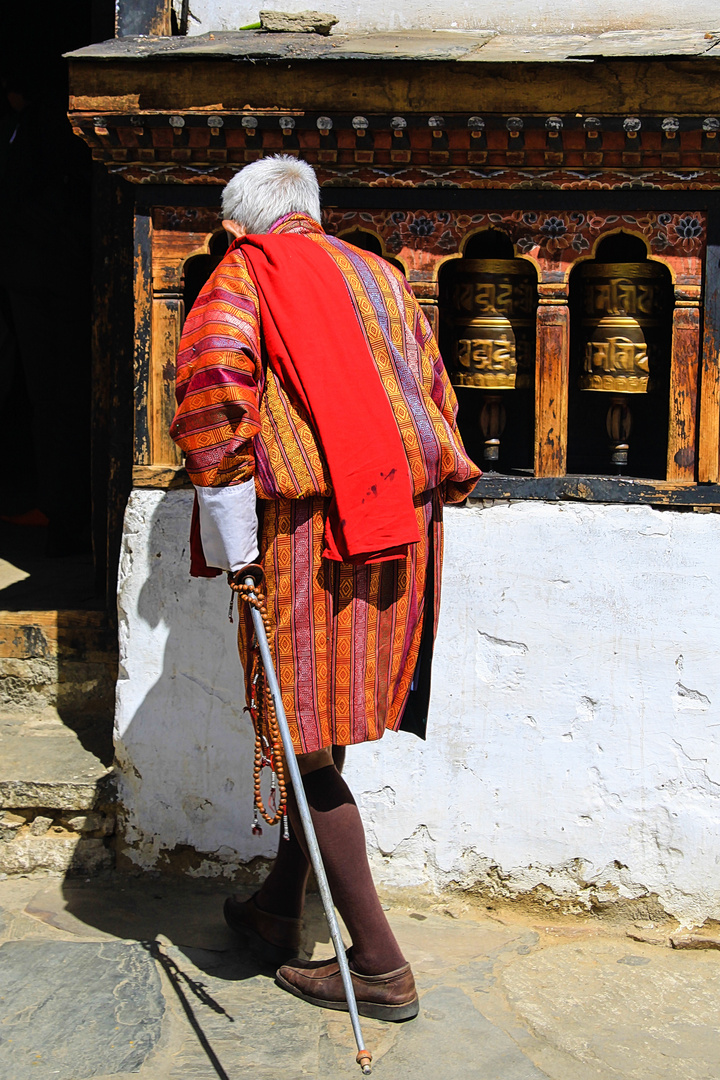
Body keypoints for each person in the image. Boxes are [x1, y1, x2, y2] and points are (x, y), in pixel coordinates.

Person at [170, 155, 480, 1022]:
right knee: (322, 716)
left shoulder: (244, 274)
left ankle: (380, 965)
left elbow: (209, 393)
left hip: (309, 533)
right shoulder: (380, 274)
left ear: (238, 229)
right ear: (309, 214)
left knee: (302, 730)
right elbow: (434, 393)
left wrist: (236, 547)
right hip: (396, 525)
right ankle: (277, 908)